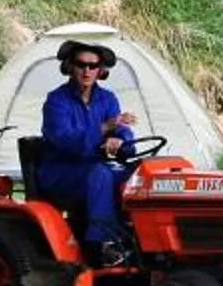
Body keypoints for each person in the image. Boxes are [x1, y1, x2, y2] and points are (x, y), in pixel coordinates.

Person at [32, 41, 141, 253]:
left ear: (101, 70)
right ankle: (102, 245)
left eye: (93, 66)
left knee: (141, 176)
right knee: (101, 174)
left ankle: (140, 241)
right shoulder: (56, 101)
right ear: (70, 67)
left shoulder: (107, 99)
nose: (87, 70)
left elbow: (123, 129)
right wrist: (106, 127)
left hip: (96, 168)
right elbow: (67, 141)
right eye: (81, 64)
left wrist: (119, 140)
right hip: (61, 172)